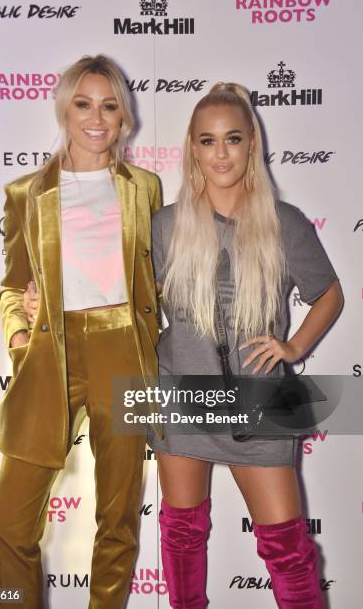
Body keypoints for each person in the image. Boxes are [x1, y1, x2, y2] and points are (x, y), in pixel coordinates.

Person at [148, 82, 343, 608]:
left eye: (232, 138)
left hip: (262, 403)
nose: (220, 153)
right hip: (183, 397)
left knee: (287, 550)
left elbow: (328, 293)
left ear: (251, 143)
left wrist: (293, 345)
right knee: (182, 538)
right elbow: (128, 303)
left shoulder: (286, 225)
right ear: (192, 148)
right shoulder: (164, 227)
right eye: (207, 141)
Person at [0, 54, 162, 609]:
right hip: (51, 352)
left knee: (118, 518)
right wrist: (20, 337)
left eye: (109, 105)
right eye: (84, 103)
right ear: (64, 110)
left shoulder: (145, 188)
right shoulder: (25, 194)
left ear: (123, 118)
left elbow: (156, 275)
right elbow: (13, 286)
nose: (96, 117)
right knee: (9, 523)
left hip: (124, 351)